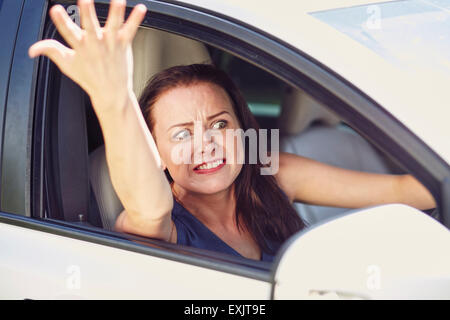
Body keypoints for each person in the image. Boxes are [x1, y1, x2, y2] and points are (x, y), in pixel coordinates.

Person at [28, 0, 435, 262]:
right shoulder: (158, 222)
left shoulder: (271, 174)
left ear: (243, 128)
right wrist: (112, 95)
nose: (205, 145)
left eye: (219, 124)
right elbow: (150, 206)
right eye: (182, 135)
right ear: (157, 154)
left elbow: (405, 190)